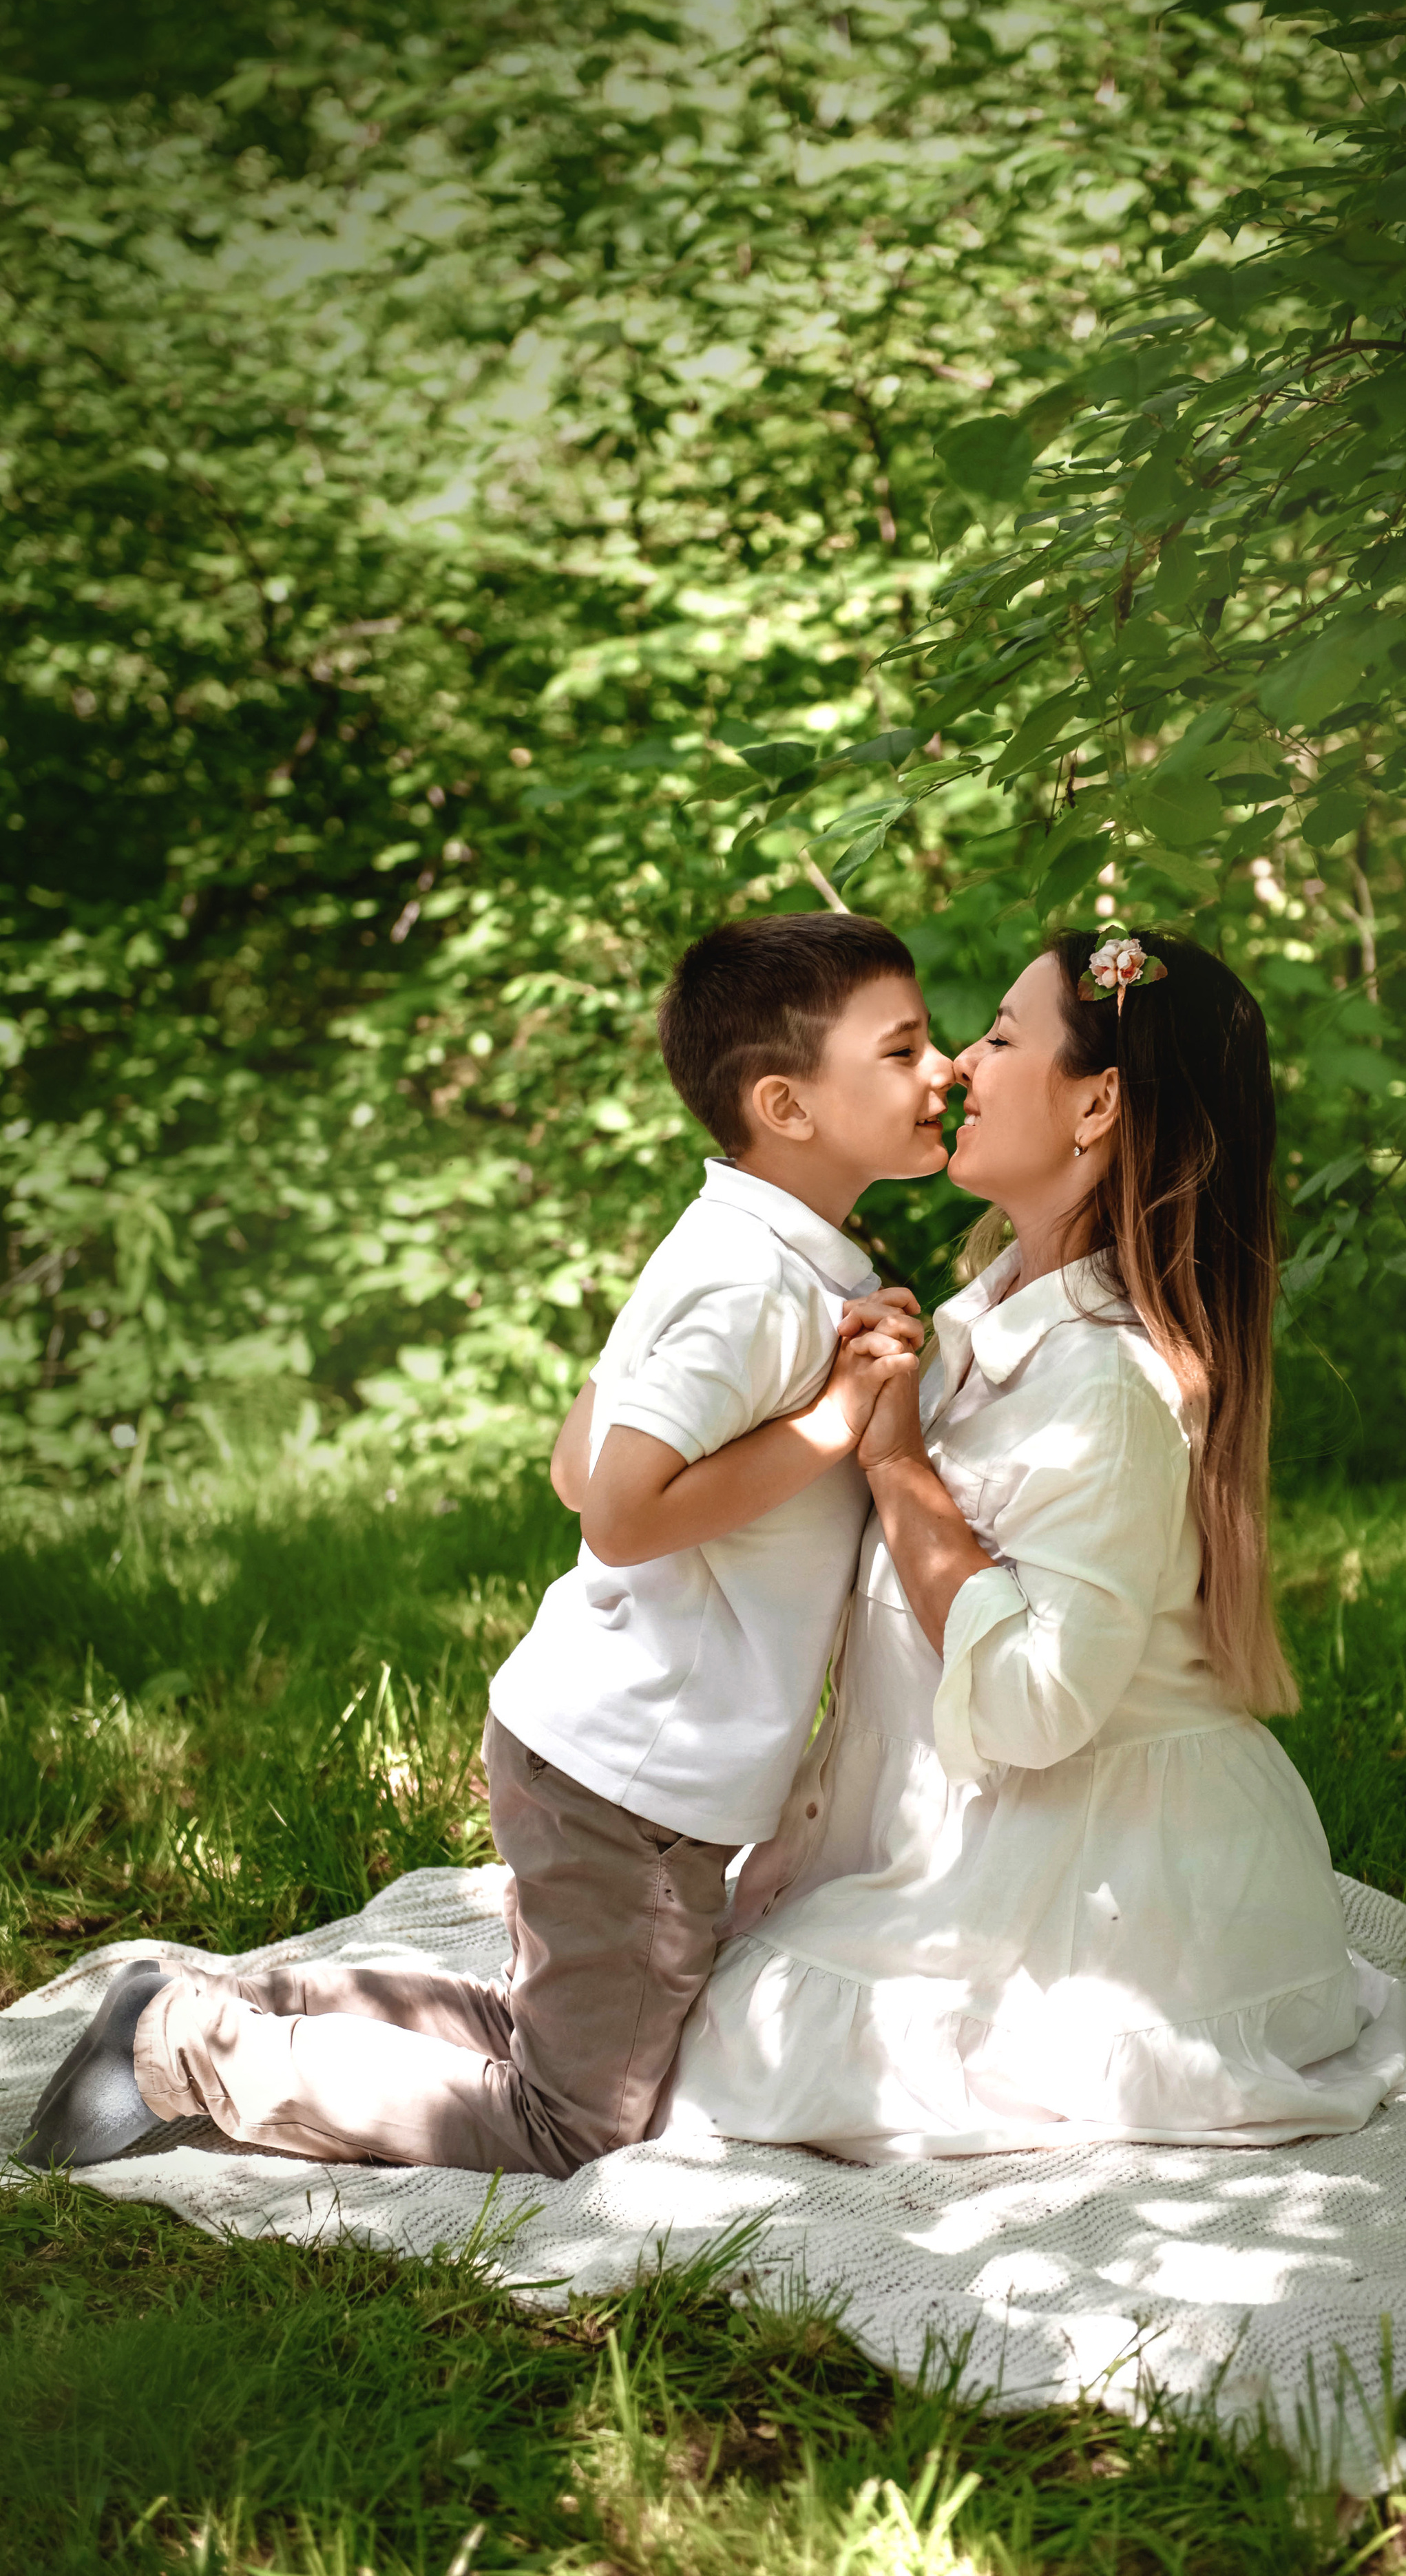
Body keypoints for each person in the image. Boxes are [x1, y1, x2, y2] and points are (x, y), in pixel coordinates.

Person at [20, 912, 945, 2177]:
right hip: (636, 1785)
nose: (943, 1069)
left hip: (596, 1750)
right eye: (903, 1050)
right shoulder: (748, 1287)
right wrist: (835, 1422)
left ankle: (244, 2010)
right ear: (786, 1103)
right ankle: (185, 2051)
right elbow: (615, 1512)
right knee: (576, 2119)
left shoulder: (739, 1250)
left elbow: (578, 1461)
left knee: (554, 2033)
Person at [657, 929, 1406, 2160]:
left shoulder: (1108, 1386)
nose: (962, 1061)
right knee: (664, 2014)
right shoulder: (987, 1315)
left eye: (1004, 1037)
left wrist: (899, 1464)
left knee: (719, 2055)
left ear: (1097, 1106)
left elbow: (1030, 1711)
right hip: (973, 1842)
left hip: (1112, 1898)